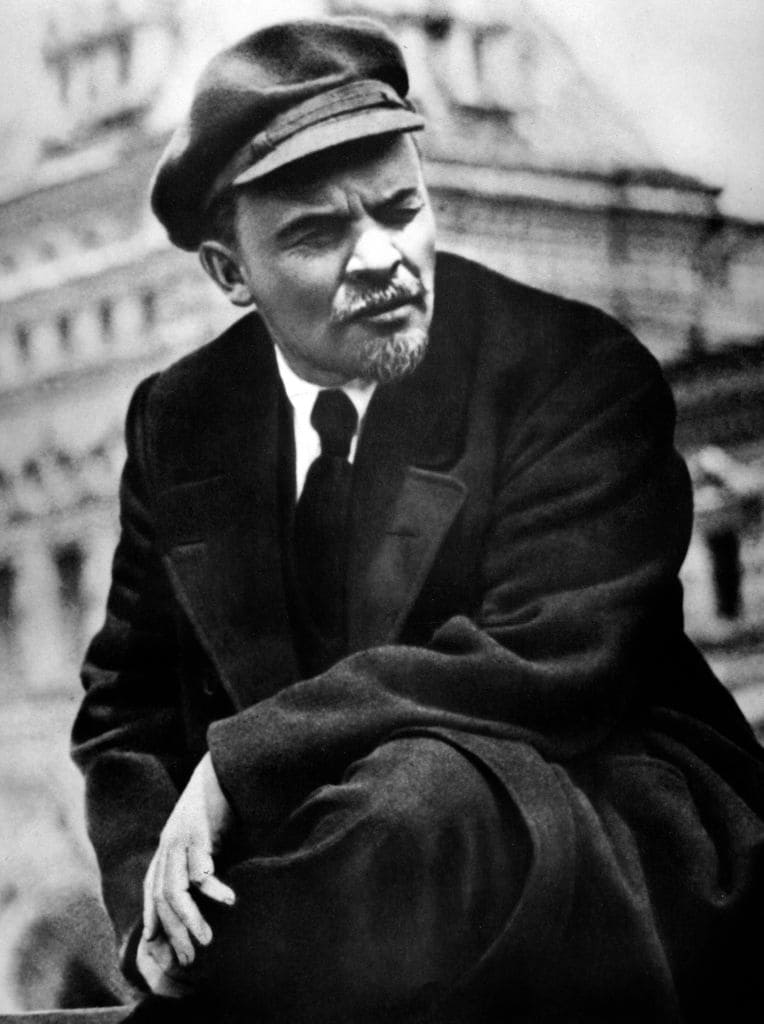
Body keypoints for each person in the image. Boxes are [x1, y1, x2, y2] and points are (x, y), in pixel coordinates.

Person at [72, 16, 764, 1024]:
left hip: (597, 832)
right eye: (316, 235)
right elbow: (125, 704)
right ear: (230, 273)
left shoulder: (573, 370)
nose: (382, 258)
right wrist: (154, 902)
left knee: (418, 794)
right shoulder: (180, 419)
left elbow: (542, 657)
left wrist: (239, 760)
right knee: (376, 818)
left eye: (401, 210)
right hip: (340, 860)